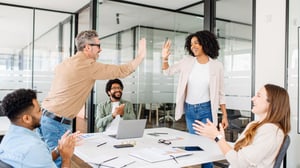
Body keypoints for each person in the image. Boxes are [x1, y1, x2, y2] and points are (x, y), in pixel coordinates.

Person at [38, 30, 146, 167]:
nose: (100, 49)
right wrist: (141, 56)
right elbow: (121, 71)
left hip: (45, 118)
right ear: (87, 47)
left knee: (44, 160)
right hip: (56, 123)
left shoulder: (66, 63)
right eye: (98, 45)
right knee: (58, 163)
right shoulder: (87, 65)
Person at [162, 30, 228, 168]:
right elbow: (167, 71)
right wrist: (164, 58)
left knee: (206, 147)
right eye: (191, 44)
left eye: (196, 43)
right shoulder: (187, 62)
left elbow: (221, 92)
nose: (193, 46)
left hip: (206, 110)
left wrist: (225, 116)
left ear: (205, 43)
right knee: (192, 145)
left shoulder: (216, 66)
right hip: (190, 110)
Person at [193, 84, 291, 168]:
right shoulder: (254, 125)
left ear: (271, 104)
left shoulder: (270, 132)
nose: (253, 98)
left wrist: (218, 137)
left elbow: (239, 162)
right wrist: (218, 137)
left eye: (258, 96)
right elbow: (235, 153)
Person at [0, 89, 80, 167]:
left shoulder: (9, 138)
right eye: (39, 111)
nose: (42, 114)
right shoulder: (34, 147)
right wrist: (66, 158)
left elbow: (39, 161)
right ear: (27, 119)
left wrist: (58, 150)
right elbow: (36, 154)